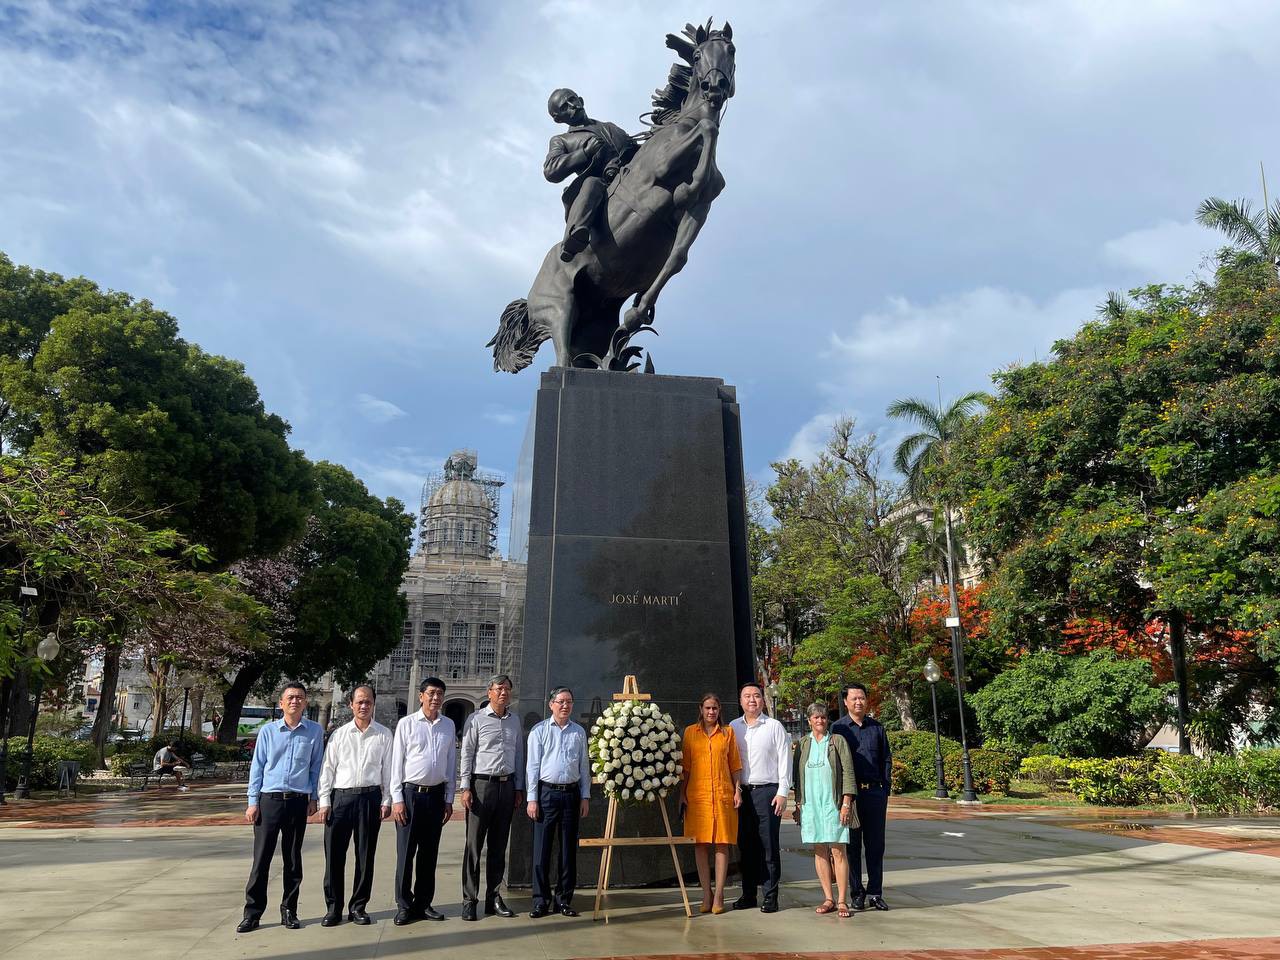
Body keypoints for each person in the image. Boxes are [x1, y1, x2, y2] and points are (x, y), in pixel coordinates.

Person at [238, 681, 325, 934]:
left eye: (299, 697)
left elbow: (315, 767)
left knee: (293, 859)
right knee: (261, 859)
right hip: (270, 800)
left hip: (298, 801)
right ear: (281, 703)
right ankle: (252, 913)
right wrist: (252, 802)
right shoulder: (268, 731)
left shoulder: (314, 731)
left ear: (305, 702)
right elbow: (258, 766)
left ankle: (289, 910)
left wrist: (313, 798)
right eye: (290, 697)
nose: (295, 701)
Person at [316, 684, 392, 927]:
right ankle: (333, 908)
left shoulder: (383, 734)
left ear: (373, 704)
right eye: (359, 701)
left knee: (365, 856)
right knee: (334, 857)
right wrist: (325, 801)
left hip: (370, 799)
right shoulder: (339, 735)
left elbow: (388, 771)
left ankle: (359, 907)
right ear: (351, 705)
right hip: (341, 799)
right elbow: (327, 769)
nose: (363, 706)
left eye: (368, 701)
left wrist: (387, 799)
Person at [390, 677, 457, 926]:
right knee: (406, 853)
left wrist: (450, 798)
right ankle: (404, 905)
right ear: (421, 696)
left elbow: (451, 762)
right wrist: (397, 799)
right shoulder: (406, 724)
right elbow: (397, 765)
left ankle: (424, 902)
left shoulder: (448, 725)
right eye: (431, 693)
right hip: (410, 795)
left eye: (439, 693)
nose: (435, 698)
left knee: (429, 854)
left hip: (436, 795)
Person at [543, 87, 638, 261]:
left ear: (581, 99)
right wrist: (585, 152)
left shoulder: (610, 127)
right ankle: (574, 236)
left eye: (573, 99)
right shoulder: (561, 140)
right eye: (565, 107)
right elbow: (551, 170)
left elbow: (634, 150)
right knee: (592, 183)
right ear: (558, 118)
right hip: (600, 184)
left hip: (629, 175)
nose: (573, 106)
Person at [459, 673, 525, 921]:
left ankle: (493, 897)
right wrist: (465, 787)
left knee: (498, 846)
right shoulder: (475, 719)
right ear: (489, 692)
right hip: (481, 786)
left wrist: (518, 788)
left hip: (506, 787)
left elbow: (518, 755)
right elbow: (467, 754)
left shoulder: (514, 721)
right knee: (474, 846)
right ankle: (469, 899)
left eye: (507, 688)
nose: (503, 693)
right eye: (499, 688)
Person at [526, 686, 591, 918]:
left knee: (567, 850)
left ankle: (563, 900)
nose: (565, 706)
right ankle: (540, 900)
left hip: (571, 795)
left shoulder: (578, 732)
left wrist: (585, 795)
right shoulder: (539, 731)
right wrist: (531, 799)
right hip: (546, 794)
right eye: (561, 701)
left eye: (569, 701)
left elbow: (584, 766)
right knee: (542, 849)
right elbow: (532, 767)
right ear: (551, 704)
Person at [729, 681, 791, 913]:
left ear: (763, 700)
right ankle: (748, 894)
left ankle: (770, 895)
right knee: (746, 846)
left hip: (768, 792)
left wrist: (783, 792)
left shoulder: (774, 726)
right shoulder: (733, 727)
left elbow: (785, 760)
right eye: (747, 696)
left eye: (756, 696)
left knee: (769, 846)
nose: (752, 700)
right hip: (742, 794)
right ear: (740, 701)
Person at [793, 703, 858, 918]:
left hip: (833, 805)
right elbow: (797, 777)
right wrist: (798, 804)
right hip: (811, 805)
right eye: (815, 718)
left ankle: (841, 900)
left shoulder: (837, 741)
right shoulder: (803, 744)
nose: (819, 721)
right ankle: (828, 898)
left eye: (822, 717)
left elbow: (848, 773)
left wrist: (846, 803)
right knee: (819, 849)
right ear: (809, 720)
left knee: (838, 850)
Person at [679, 692, 742, 914]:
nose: (711, 712)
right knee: (701, 844)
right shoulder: (690, 733)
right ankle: (706, 893)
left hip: (723, 794)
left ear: (719, 710)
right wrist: (682, 793)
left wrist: (737, 790)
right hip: (698, 796)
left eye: (714, 708)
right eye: (707, 708)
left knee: (722, 843)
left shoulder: (728, 733)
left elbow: (734, 764)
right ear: (700, 709)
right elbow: (685, 767)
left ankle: (720, 894)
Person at [831, 682, 893, 911]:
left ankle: (875, 892)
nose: (859, 702)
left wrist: (885, 789)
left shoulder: (877, 728)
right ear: (845, 701)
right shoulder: (838, 729)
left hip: (875, 793)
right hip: (851, 796)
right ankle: (857, 892)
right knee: (853, 846)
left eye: (862, 698)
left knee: (876, 845)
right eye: (854, 698)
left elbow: (886, 759)